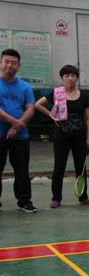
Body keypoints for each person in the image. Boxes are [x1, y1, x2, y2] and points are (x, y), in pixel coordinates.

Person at [35, 64, 89, 208]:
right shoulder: (57, 93)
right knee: (59, 166)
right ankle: (56, 198)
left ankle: (83, 197)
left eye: (73, 76)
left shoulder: (83, 97)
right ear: (62, 78)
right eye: (67, 76)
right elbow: (38, 104)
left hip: (79, 137)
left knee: (81, 167)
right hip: (61, 136)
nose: (70, 78)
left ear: (77, 78)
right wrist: (52, 116)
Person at [0, 48, 37, 212]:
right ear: (0, 63)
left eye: (13, 63)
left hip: (20, 136)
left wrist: (17, 126)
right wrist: (14, 122)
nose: (9, 65)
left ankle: (24, 202)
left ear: (18, 66)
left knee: (22, 170)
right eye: (6, 61)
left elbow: (31, 108)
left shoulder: (25, 87)